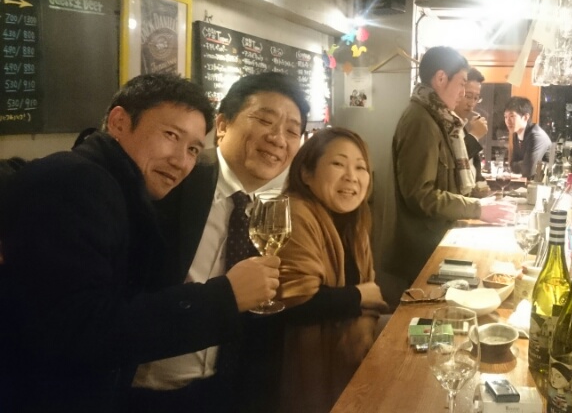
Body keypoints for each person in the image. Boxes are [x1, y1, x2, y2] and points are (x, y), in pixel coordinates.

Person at [0, 73, 281, 413]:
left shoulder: (117, 188)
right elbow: (79, 330)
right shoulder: (79, 182)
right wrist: (224, 297)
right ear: (119, 122)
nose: (181, 161)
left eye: (193, 149)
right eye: (171, 135)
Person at [130, 72, 310, 413]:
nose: (277, 138)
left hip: (224, 391)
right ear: (223, 125)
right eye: (265, 120)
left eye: (292, 131)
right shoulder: (174, 178)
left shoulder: (279, 207)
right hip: (144, 388)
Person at [276, 127, 388, 413]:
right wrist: (360, 296)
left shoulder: (355, 222)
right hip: (301, 371)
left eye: (360, 167)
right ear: (306, 173)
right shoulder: (294, 212)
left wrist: (364, 317)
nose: (352, 176)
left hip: (346, 356)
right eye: (338, 163)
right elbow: (297, 304)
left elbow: (372, 298)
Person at [387, 46, 514, 284]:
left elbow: (447, 183)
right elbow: (420, 195)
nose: (463, 93)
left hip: (436, 241)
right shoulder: (421, 121)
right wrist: (477, 208)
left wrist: (480, 201)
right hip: (422, 251)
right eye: (462, 84)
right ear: (441, 78)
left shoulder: (438, 119)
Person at [453, 67, 489, 187]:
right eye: (468, 96)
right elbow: (454, 162)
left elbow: (471, 165)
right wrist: (474, 135)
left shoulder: (460, 125)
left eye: (476, 98)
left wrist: (480, 184)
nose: (471, 103)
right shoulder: (446, 124)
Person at [504, 96, 552, 179]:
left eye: (512, 116)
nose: (507, 121)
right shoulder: (516, 134)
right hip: (527, 181)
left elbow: (529, 170)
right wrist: (524, 163)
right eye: (505, 117)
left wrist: (522, 164)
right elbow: (512, 165)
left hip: (542, 183)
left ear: (526, 117)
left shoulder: (536, 136)